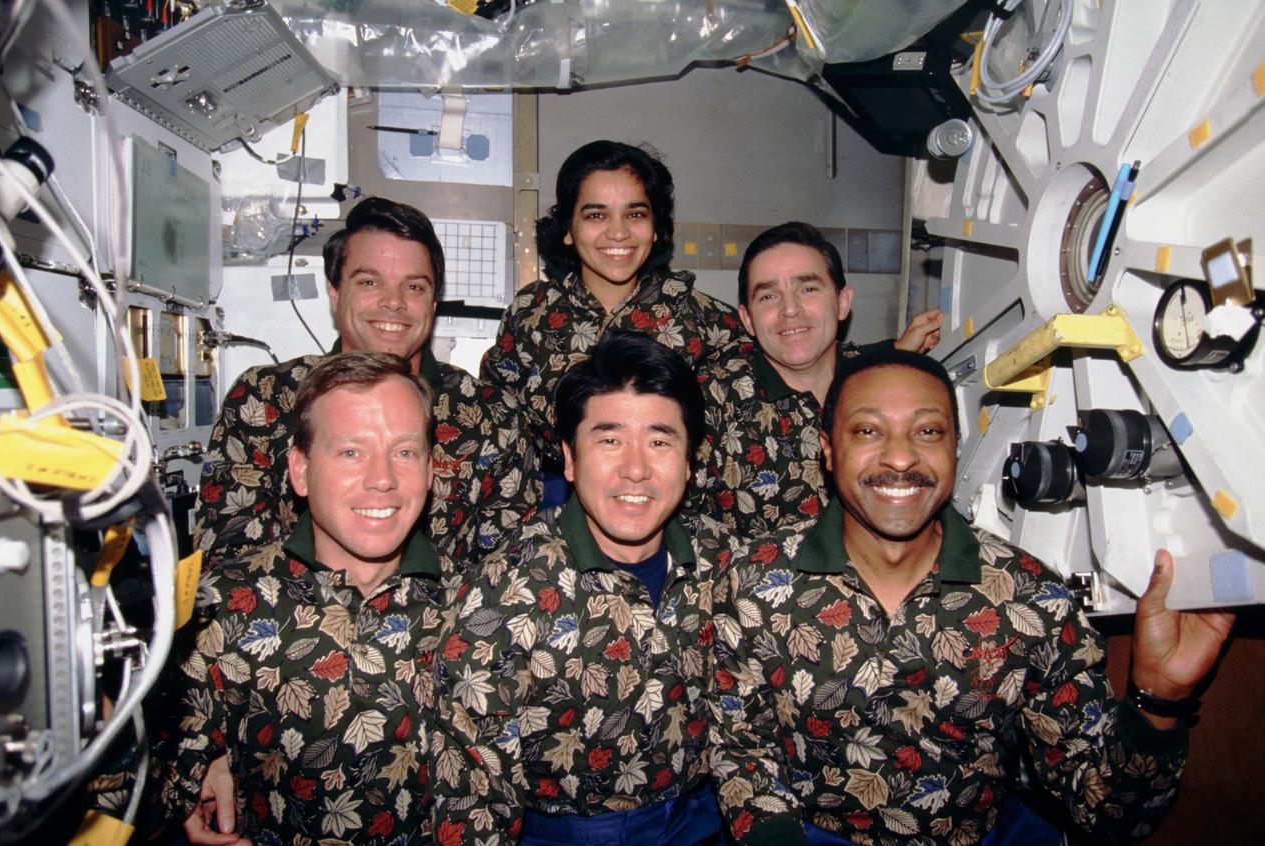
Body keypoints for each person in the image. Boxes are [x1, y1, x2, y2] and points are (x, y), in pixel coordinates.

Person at [711, 348, 1234, 845]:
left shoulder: (1032, 599)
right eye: (868, 430)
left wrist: (1159, 697)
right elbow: (742, 755)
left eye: (928, 431)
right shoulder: (754, 584)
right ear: (828, 449)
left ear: (954, 446)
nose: (898, 457)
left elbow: (1108, 812)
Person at [433, 331, 738, 845]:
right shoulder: (506, 589)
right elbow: (473, 790)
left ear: (690, 462)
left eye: (660, 441)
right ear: (570, 460)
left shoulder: (727, 564)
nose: (636, 469)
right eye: (609, 439)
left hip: (703, 823)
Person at [154, 352, 461, 844]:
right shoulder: (225, 606)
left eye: (404, 452)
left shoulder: (474, 611)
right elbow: (141, 792)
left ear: (430, 470)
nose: (382, 479)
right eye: (350, 452)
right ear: (299, 470)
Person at [193, 196, 531, 567]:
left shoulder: (492, 416)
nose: (393, 302)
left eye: (414, 287)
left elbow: (506, 570)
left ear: (433, 303)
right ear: (335, 293)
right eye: (370, 282)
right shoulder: (264, 401)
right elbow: (226, 561)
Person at [479, 140, 746, 506]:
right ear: (568, 229)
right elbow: (498, 431)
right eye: (596, 215)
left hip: (677, 517)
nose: (617, 232)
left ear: (655, 228)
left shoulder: (708, 321)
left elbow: (733, 446)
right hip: (551, 517)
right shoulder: (531, 315)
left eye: (635, 214)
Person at [693, 221, 942, 537]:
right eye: (769, 296)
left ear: (842, 303)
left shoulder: (883, 385)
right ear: (747, 319)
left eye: (808, 289)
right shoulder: (709, 404)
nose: (790, 310)